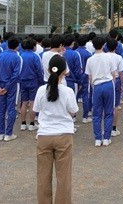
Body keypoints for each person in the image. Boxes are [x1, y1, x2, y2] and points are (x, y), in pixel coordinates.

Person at [33, 54, 78, 204]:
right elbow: (73, 111)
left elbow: (36, 109)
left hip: (44, 135)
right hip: (64, 135)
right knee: (64, 176)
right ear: (64, 71)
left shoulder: (41, 90)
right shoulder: (68, 91)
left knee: (43, 176)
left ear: (48, 69)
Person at [85, 36, 116, 146]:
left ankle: (98, 139)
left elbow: (89, 76)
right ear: (104, 45)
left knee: (96, 113)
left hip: (97, 85)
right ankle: (106, 138)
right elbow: (113, 73)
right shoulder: (109, 57)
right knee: (109, 112)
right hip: (108, 84)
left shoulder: (90, 59)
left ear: (93, 46)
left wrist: (93, 86)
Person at [19, 38, 44, 132]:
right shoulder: (35, 56)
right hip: (33, 81)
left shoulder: (20, 55)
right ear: (34, 47)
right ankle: (32, 124)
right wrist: (41, 81)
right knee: (32, 102)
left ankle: (23, 123)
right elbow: (39, 70)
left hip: (22, 81)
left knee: (24, 102)